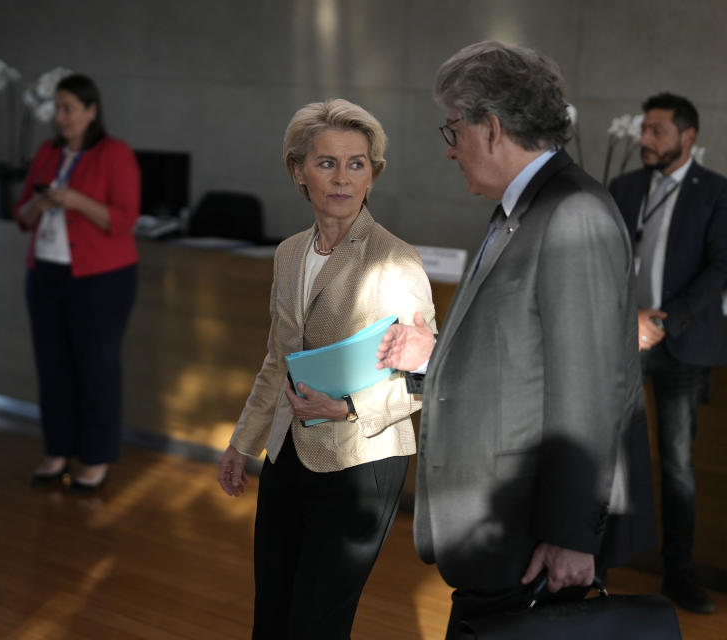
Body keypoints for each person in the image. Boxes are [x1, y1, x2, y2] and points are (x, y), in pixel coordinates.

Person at [376, 41, 655, 638]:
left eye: (453, 129)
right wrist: (436, 358)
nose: (450, 150)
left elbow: (587, 391)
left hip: (533, 536)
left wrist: (571, 537)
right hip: (502, 527)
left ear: (492, 127)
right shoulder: (521, 209)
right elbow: (521, 360)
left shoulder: (572, 212)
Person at [217, 99, 436, 638]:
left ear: (372, 175)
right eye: (327, 163)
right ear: (299, 172)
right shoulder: (289, 253)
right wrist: (243, 441)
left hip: (362, 460)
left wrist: (348, 406)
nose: (342, 178)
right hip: (289, 451)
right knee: (272, 613)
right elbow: (278, 356)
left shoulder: (396, 261)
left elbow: (427, 377)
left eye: (357, 163)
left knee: (316, 624)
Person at [608, 92, 727, 614]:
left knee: (677, 464)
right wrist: (626, 320)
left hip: (683, 344)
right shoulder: (624, 187)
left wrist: (664, 321)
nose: (645, 139)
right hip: (623, 340)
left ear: (688, 137)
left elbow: (721, 268)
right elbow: (605, 260)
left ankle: (678, 574)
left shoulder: (716, 193)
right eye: (644, 130)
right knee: (608, 454)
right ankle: (594, 562)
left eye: (657, 131)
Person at [14, 74, 140, 492]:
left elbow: (123, 220)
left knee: (95, 369)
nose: (61, 116)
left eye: (69, 108)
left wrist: (76, 201)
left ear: (91, 111)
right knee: (52, 367)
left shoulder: (114, 154)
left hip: (101, 279)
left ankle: (95, 459)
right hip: (47, 273)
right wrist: (39, 201)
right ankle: (56, 452)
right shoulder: (47, 152)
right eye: (58, 107)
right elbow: (21, 217)